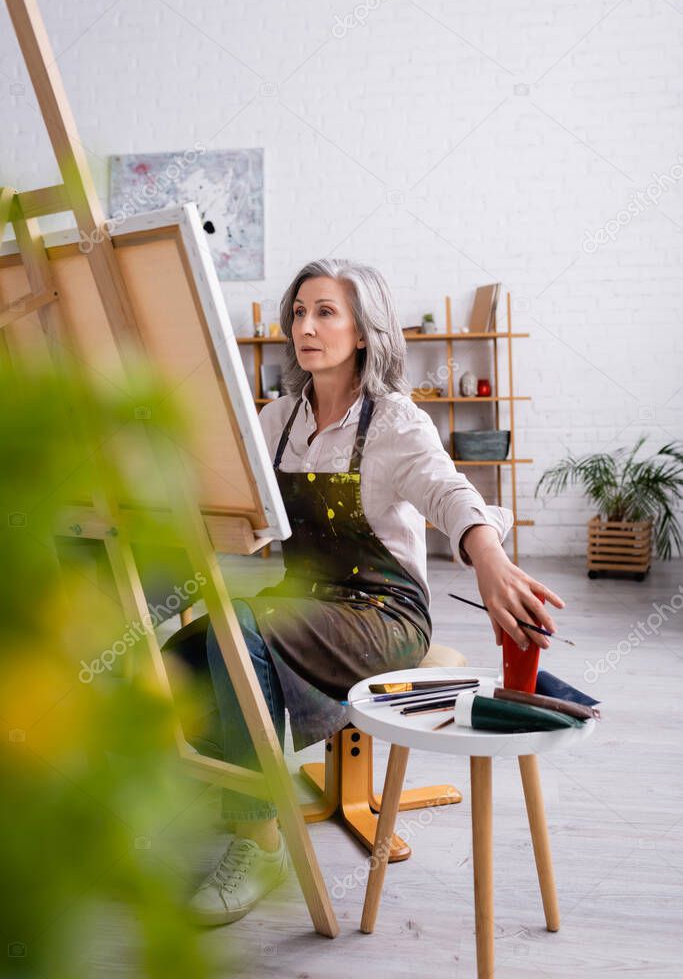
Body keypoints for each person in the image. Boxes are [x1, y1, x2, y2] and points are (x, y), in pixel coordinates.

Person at [164, 258, 564, 926]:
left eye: (325, 312)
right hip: (301, 603)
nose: (305, 326)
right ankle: (252, 777)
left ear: (363, 332)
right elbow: (232, 499)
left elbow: (447, 491)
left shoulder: (393, 422)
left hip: (381, 612)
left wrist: (487, 557)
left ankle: (258, 839)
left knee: (236, 630)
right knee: (180, 658)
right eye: (298, 311)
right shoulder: (280, 419)